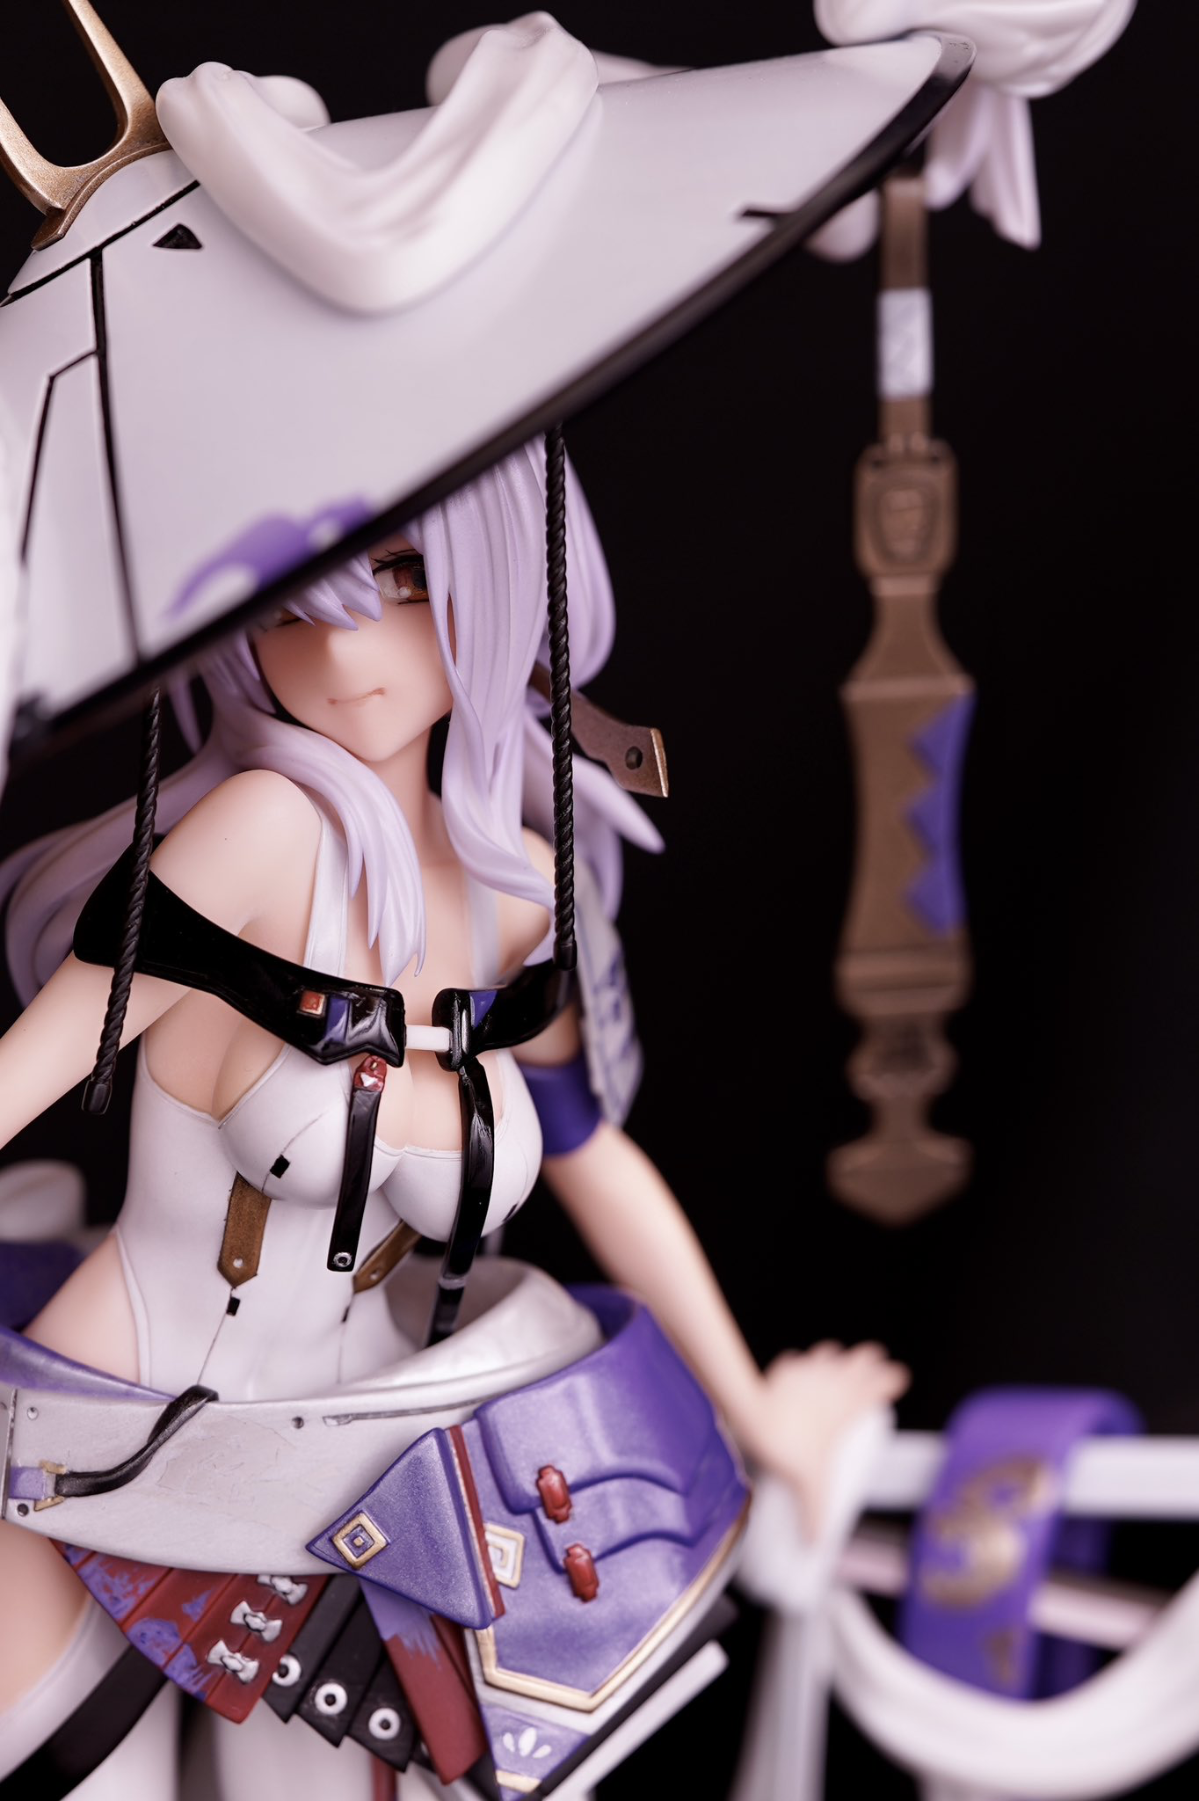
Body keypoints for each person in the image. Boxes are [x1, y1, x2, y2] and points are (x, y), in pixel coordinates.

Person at [0, 440, 905, 1791]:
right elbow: (17, 1080)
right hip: (100, 1458)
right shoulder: (258, 834)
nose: (339, 647)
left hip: (354, 1476)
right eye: (286, 603)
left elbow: (594, 1157)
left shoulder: (514, 893)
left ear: (503, 588)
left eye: (406, 581)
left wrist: (760, 1417)